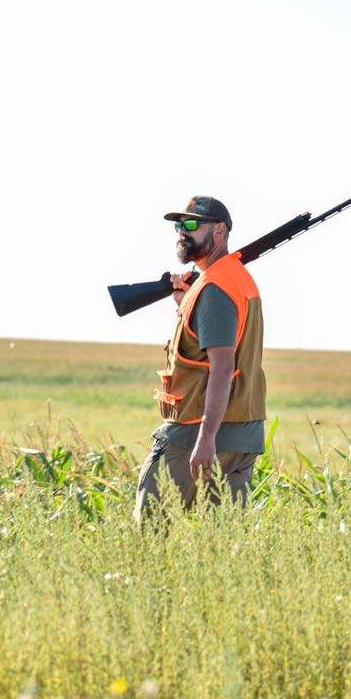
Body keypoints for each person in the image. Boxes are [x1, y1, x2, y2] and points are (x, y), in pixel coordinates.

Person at [134, 196, 267, 523]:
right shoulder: (233, 279)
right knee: (224, 539)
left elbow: (222, 367)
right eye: (179, 226)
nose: (182, 232)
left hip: (198, 430)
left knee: (149, 523)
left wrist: (206, 438)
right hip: (244, 429)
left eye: (192, 225)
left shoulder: (215, 289)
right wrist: (185, 302)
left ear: (220, 231)